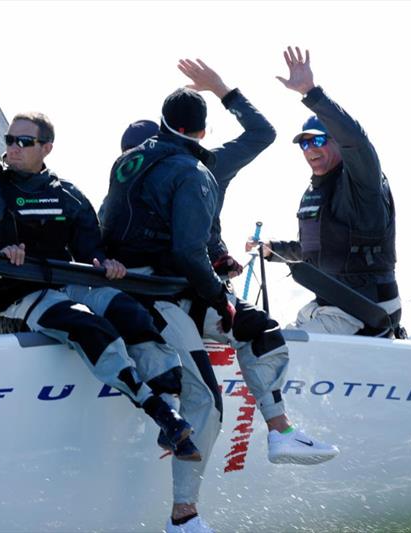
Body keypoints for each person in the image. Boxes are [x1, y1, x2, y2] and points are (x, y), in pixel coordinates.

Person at [102, 60, 338, 533]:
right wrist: (223, 89)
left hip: (178, 288)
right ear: (203, 130)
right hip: (157, 297)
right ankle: (183, 517)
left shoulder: (135, 164)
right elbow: (185, 250)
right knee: (207, 398)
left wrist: (217, 264)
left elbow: (169, 239)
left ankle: (281, 432)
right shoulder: (196, 168)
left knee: (260, 329)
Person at [0, 112, 204, 472]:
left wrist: (105, 263)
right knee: (88, 325)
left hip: (65, 286)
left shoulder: (66, 194)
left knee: (131, 313)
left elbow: (90, 251)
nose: (13, 148)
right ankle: (158, 412)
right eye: (9, 140)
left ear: (46, 148)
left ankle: (171, 400)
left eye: (24, 141)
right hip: (11, 300)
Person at [248, 47, 401, 336]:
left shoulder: (362, 181)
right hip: (331, 304)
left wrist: (311, 92)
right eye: (304, 144)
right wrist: (273, 250)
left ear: (336, 142)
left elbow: (356, 140)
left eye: (317, 140)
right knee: (270, 340)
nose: (310, 150)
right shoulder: (317, 188)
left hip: (368, 308)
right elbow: (318, 250)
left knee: (286, 351)